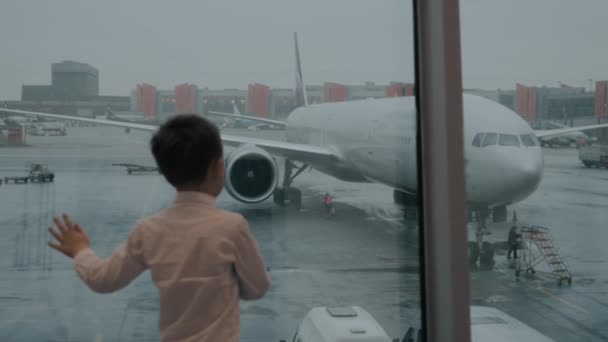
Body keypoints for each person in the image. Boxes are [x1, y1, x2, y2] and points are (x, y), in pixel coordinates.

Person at [47, 114, 271, 342]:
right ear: (217, 168)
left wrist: (80, 251)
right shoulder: (232, 227)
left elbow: (104, 279)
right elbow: (257, 287)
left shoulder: (149, 230)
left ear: (165, 172)